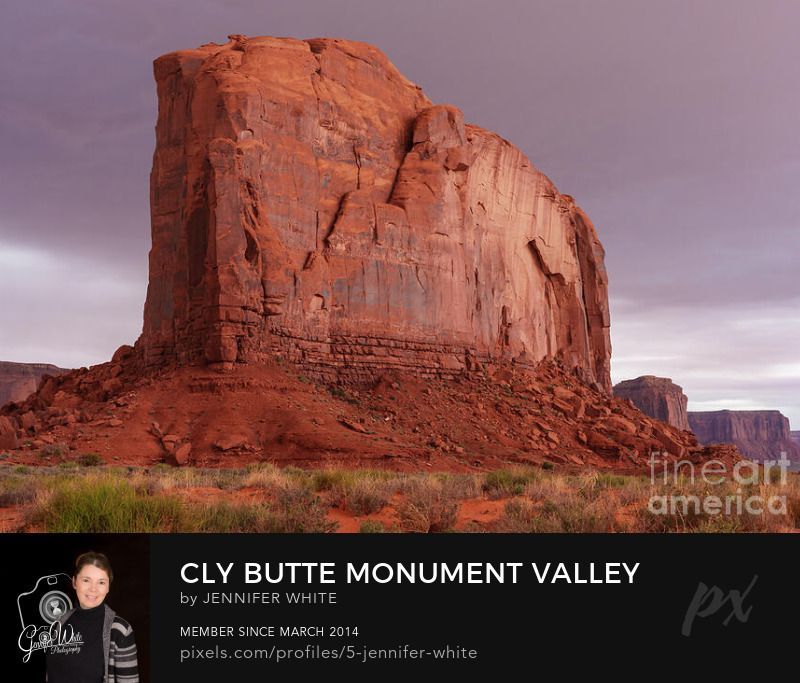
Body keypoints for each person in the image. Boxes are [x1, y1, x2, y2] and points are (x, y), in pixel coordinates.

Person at [46, 552, 139, 682]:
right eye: (86, 580)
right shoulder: (60, 622)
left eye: (101, 582)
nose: (93, 589)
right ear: (74, 582)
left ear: (108, 587)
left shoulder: (120, 630)